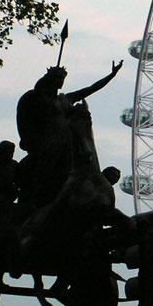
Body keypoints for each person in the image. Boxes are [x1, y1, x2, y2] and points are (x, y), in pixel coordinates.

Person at [15, 61, 122, 213]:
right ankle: (32, 198)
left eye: (62, 79)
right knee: (41, 167)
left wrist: (111, 75)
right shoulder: (40, 99)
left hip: (66, 142)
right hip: (48, 142)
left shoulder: (66, 100)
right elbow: (36, 91)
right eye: (58, 79)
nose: (61, 82)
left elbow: (91, 89)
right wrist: (48, 76)